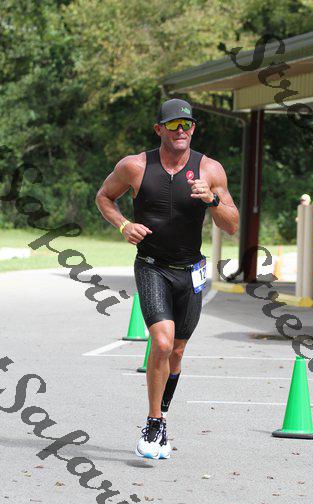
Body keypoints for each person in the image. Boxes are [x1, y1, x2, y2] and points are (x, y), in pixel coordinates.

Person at [95, 98, 239, 460]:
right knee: (161, 342)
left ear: (194, 129)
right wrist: (123, 225)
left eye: (186, 125)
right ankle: (153, 421)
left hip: (191, 272)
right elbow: (104, 197)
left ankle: (162, 419)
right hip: (152, 266)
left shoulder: (210, 170)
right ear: (159, 129)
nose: (181, 131)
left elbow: (232, 225)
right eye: (173, 125)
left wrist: (212, 201)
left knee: (176, 351)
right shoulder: (135, 166)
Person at [297, 193, 313, 274]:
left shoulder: (312, 209)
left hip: (311, 232)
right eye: (301, 200)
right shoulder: (301, 210)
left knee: (312, 249)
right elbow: (298, 219)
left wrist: (310, 220)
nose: (302, 202)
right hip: (304, 233)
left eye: (303, 200)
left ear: (308, 201)